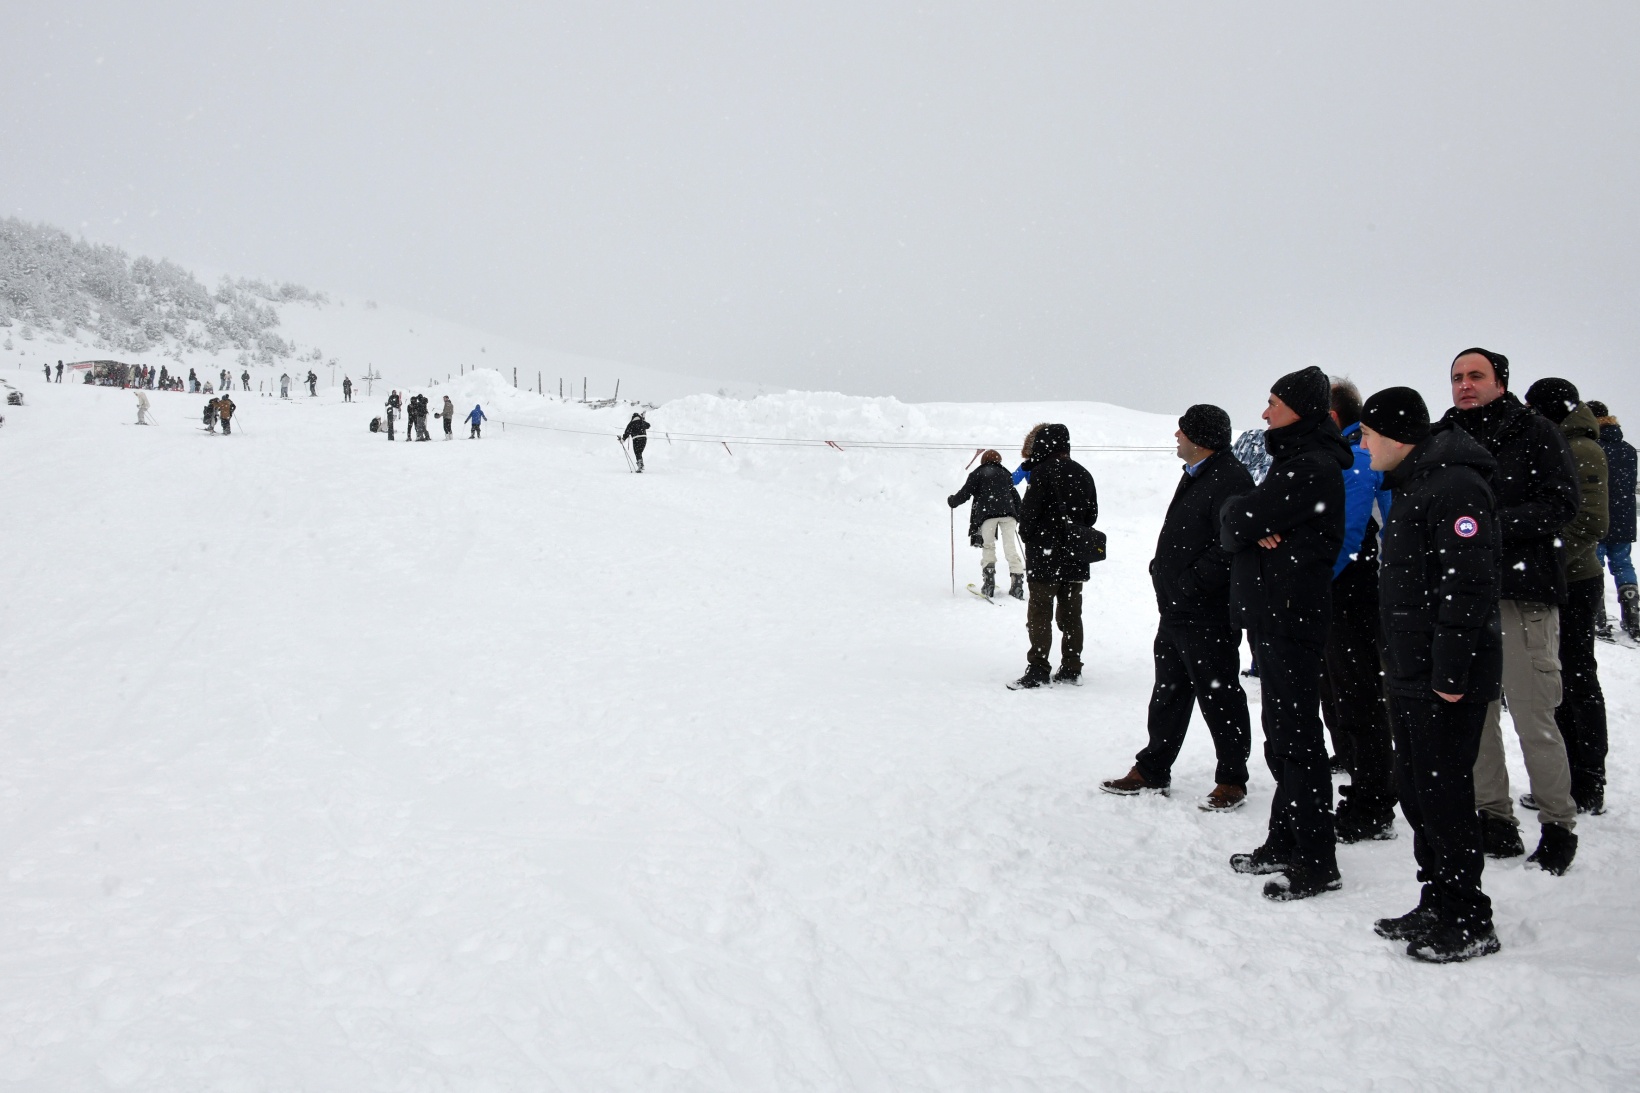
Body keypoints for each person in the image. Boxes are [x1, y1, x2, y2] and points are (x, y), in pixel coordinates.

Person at [1358, 387, 1503, 964]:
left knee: (1445, 796)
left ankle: (1468, 917)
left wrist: (1449, 673)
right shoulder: (1417, 482)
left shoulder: (1456, 487)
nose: (1362, 445)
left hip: (1444, 678)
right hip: (1411, 668)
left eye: (1368, 434)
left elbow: (1467, 587)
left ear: (1395, 436)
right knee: (1418, 792)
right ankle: (1436, 899)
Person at [1441, 349, 1579, 873]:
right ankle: (1493, 817)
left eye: (1475, 376)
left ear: (1500, 382)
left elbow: (1561, 504)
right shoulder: (1445, 437)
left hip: (1522, 592)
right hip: (1463, 595)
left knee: (1533, 715)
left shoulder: (1537, 432)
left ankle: (1558, 824)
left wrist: (1490, 525)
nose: (1465, 385)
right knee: (1473, 716)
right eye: (1457, 377)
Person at [1221, 366, 1351, 901]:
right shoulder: (1296, 461)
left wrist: (1246, 521)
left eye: (1273, 402)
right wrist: (1247, 522)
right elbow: (1237, 522)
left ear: (1300, 409)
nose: (1264, 412)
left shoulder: (1310, 466)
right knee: (1283, 735)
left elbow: (1236, 521)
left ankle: (1317, 861)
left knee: (1297, 739)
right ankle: (1285, 839)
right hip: (1277, 615)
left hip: (1290, 616)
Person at [1100, 404, 1254, 810]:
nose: (1176, 436)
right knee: (1168, 692)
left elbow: (1230, 545)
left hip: (1206, 611)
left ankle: (1232, 779)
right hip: (1176, 610)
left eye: (1182, 429)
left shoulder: (1230, 478)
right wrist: (1163, 571)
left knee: (1219, 694)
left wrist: (1190, 583)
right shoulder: (1198, 473)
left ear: (1200, 437)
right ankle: (1152, 768)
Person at [1524, 378, 1609, 816]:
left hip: (1575, 579)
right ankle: (1567, 776)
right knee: (1556, 679)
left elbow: (1591, 521)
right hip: (1558, 577)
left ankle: (1588, 779)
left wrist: (1547, 559)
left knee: (1577, 678)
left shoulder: (1581, 448)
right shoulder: (1558, 443)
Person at [1322, 378, 1397, 842]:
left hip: (1355, 596)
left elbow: (1345, 538)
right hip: (1349, 593)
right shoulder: (1346, 455)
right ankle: (1358, 766)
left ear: (1332, 417)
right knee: (1341, 689)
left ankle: (1373, 801)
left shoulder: (1357, 460)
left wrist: (1310, 586)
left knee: (1358, 694)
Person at [1009, 423, 1099, 689]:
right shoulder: (1084, 473)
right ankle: (1071, 667)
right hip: (1075, 556)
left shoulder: (1041, 473)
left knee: (1040, 612)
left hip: (1044, 556)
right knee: (1071, 615)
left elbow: (1028, 514)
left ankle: (1038, 668)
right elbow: (1092, 515)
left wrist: (1030, 534)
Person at [1588, 401, 1637, 642]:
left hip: (1598, 517)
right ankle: (1633, 617)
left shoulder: (1592, 447)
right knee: (1623, 565)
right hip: (1624, 518)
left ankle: (1596, 618)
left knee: (1593, 566)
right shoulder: (1628, 449)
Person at [947, 450, 1024, 599]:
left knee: (988, 546)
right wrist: (1019, 514)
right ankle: (1017, 585)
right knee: (1010, 548)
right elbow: (1014, 495)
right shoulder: (1005, 473)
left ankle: (989, 584)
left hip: (987, 514)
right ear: (999, 460)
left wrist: (953, 501)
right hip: (1008, 514)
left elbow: (965, 492)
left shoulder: (978, 473)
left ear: (983, 460)